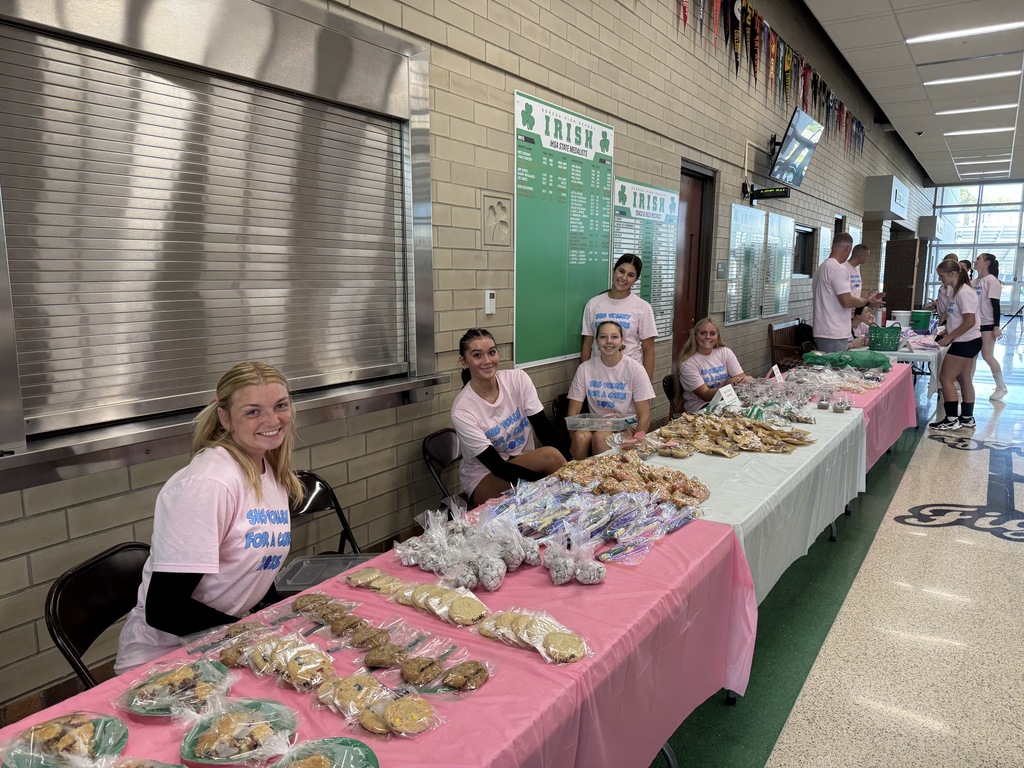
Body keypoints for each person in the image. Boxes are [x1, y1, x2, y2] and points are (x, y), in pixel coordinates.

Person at [116, 361, 302, 673]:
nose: (272, 419)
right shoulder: (209, 484)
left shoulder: (266, 468)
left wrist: (268, 624)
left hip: (220, 642)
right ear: (225, 418)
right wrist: (248, 636)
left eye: (280, 405)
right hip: (167, 661)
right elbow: (165, 610)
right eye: (253, 411)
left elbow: (253, 570)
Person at [451, 328, 569, 505]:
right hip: (485, 476)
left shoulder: (518, 379)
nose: (487, 361)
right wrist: (541, 482)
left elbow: (545, 431)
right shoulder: (462, 410)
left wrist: (574, 466)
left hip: (521, 463)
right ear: (464, 361)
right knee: (548, 469)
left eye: (492, 352)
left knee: (556, 460)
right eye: (477, 355)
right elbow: (497, 466)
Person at [566, 321, 655, 459]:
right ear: (596, 341)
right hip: (596, 424)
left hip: (627, 427)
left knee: (602, 438)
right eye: (603, 337)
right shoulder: (585, 368)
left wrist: (635, 444)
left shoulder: (635, 369)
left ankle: (607, 479)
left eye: (614, 337)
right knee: (580, 438)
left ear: (621, 341)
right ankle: (580, 478)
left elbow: (645, 417)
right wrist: (575, 441)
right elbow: (573, 414)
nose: (609, 341)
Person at [581, 253, 657, 380]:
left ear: (636, 279)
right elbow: (587, 344)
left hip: (629, 376)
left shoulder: (643, 307)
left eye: (631, 275)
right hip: (598, 375)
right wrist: (584, 377)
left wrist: (646, 384)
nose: (624, 278)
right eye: (621, 271)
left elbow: (648, 350)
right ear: (613, 270)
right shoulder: (593, 304)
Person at [930, 261, 982, 430]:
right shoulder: (956, 291)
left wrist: (950, 337)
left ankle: (951, 419)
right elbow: (957, 318)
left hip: (965, 341)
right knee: (963, 378)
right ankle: (967, 417)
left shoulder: (964, 293)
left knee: (945, 378)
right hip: (967, 340)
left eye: (942, 276)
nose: (940, 279)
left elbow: (969, 321)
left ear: (952, 274)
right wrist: (947, 330)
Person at [812, 232, 885, 352]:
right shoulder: (837, 268)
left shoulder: (822, 267)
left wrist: (864, 300)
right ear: (848, 248)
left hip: (824, 330)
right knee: (835, 369)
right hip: (834, 331)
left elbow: (839, 298)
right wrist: (867, 302)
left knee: (829, 368)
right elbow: (846, 301)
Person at [676, 317, 751, 414]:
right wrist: (729, 385)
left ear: (717, 336)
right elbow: (705, 394)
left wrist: (743, 380)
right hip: (701, 409)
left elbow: (742, 377)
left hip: (725, 402)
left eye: (712, 333)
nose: (707, 337)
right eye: (703, 333)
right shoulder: (688, 364)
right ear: (695, 336)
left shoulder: (725, 352)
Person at [974, 252, 1007, 400]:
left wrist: (996, 327)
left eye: (979, 259)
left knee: (987, 356)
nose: (975, 261)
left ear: (986, 262)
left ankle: (1001, 387)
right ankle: (965, 385)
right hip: (973, 325)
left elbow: (995, 305)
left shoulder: (992, 281)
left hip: (987, 324)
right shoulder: (974, 281)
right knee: (971, 357)